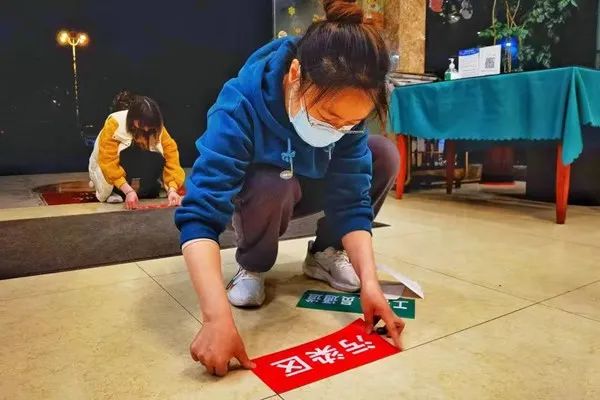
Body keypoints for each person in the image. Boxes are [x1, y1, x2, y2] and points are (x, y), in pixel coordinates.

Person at [175, 0, 403, 376]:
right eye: (328, 117)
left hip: (312, 184)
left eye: (350, 123)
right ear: (295, 74)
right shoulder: (239, 104)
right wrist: (215, 318)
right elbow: (200, 213)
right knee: (271, 182)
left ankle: (326, 253)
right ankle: (252, 265)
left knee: (382, 154)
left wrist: (370, 283)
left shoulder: (349, 113)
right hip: (262, 194)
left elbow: (352, 199)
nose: (338, 130)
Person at [89, 95, 185, 209]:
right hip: (109, 165)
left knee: (157, 154)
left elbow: (171, 156)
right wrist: (128, 191)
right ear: (133, 118)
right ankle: (115, 190)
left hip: (137, 161)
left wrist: (172, 189)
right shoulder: (114, 123)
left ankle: (149, 187)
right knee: (119, 161)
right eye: (143, 124)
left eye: (150, 126)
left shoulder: (156, 127)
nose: (146, 129)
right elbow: (107, 161)